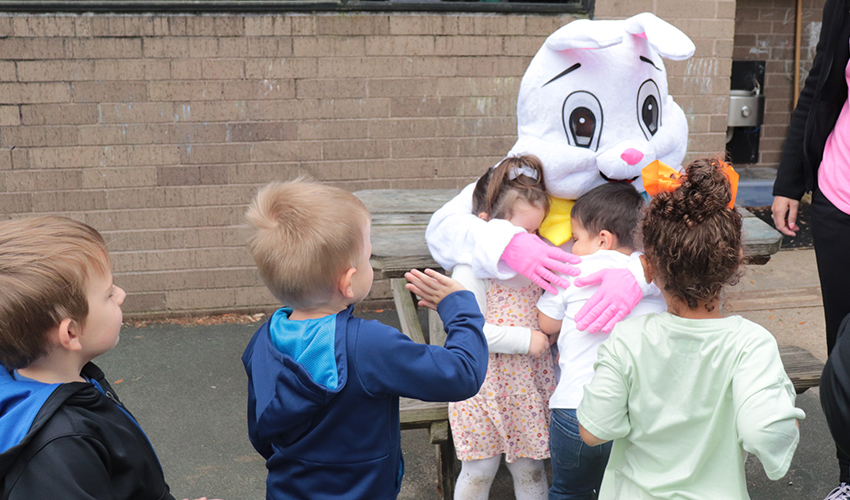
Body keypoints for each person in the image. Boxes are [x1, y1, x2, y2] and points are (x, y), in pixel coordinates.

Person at [241, 179, 489, 500]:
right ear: (347, 281)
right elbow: (462, 374)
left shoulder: (264, 340)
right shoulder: (369, 345)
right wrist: (460, 306)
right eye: (368, 256)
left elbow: (261, 431)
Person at [577, 158, 804, 499]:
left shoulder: (628, 339)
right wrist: (786, 420)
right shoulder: (751, 345)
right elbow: (765, 433)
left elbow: (593, 431)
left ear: (647, 267)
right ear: (735, 259)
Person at [0, 216, 210, 500]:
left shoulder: (72, 382)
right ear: (71, 333)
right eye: (109, 293)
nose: (121, 295)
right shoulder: (61, 446)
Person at [536, 182, 666, 500]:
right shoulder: (654, 275)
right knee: (629, 490)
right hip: (638, 411)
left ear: (603, 239)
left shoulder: (573, 268)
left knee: (570, 491)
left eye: (576, 239)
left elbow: (546, 322)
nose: (572, 248)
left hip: (575, 409)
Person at [771, 1, 850, 497]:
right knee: (842, 353)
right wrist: (789, 180)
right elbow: (819, 87)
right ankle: (849, 475)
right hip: (839, 199)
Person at [448, 155, 556, 500]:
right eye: (523, 233)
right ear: (485, 224)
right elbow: (470, 331)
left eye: (537, 231)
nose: (532, 240)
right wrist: (528, 340)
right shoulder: (470, 270)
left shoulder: (535, 267)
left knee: (531, 469)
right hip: (479, 387)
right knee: (479, 471)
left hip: (526, 387)